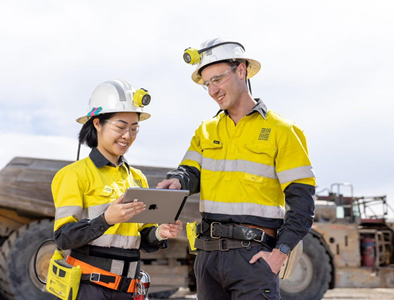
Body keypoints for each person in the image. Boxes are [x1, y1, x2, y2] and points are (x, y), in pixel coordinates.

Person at [157, 38, 316, 299]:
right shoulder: (206, 130)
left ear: (241, 71)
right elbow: (189, 172)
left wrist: (280, 253)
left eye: (217, 80)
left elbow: (302, 203)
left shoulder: (283, 131)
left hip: (254, 258)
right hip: (207, 258)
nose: (212, 90)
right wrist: (177, 181)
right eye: (207, 84)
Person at [52, 79, 183, 300]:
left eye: (134, 129)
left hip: (128, 290)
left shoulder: (137, 178)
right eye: (121, 127)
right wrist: (106, 219)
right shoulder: (73, 175)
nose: (127, 136)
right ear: (97, 124)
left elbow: (144, 240)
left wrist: (160, 233)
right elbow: (64, 238)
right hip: (89, 290)